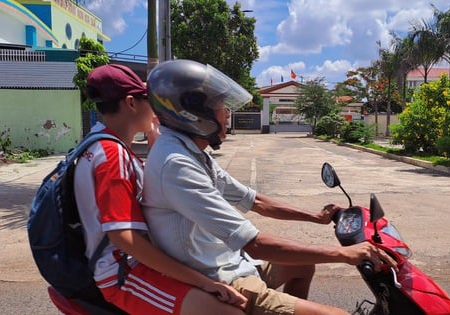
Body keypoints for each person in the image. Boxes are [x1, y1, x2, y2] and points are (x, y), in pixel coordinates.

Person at [142, 59, 398, 315]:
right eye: (220, 106)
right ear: (194, 114)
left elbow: (257, 201)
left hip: (233, 264)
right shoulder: (176, 164)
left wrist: (315, 218)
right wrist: (344, 254)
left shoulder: (194, 153)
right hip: (219, 279)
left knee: (303, 266)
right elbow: (255, 244)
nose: (228, 114)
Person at [75, 64, 247, 315]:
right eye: (150, 100)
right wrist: (203, 282)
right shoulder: (113, 156)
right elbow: (124, 238)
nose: (157, 109)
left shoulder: (96, 143)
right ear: (131, 103)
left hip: (128, 262)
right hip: (124, 272)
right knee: (229, 313)